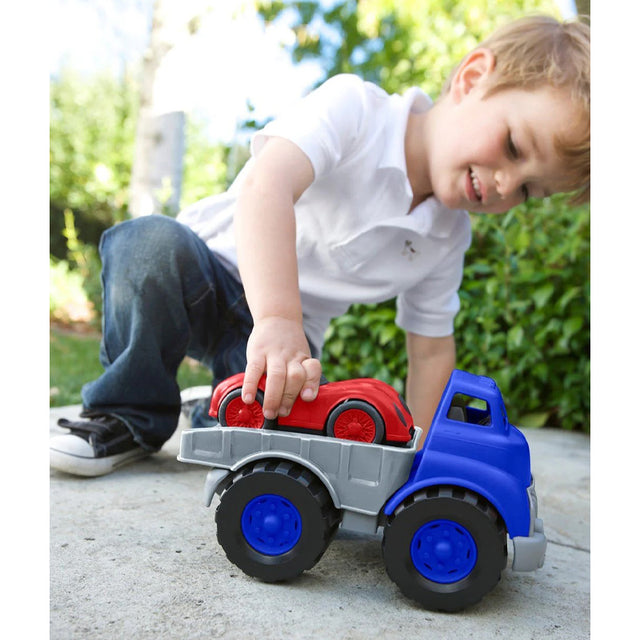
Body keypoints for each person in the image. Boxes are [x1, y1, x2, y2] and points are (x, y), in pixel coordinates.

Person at [50, 15, 590, 477]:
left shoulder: (447, 237)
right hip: (206, 270)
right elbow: (269, 185)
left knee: (275, 441)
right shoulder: (357, 109)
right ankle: (126, 415)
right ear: (473, 78)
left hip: (287, 340)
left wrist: (421, 453)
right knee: (145, 245)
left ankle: (216, 409)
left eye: (528, 191)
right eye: (515, 146)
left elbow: (429, 350)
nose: (504, 185)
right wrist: (279, 318)